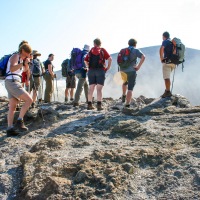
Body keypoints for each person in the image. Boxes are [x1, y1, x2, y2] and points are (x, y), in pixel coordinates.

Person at [5, 43, 33, 136]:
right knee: (29, 100)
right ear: (23, 51)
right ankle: (19, 121)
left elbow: (24, 70)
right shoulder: (15, 56)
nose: (28, 54)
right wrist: (22, 63)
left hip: (13, 81)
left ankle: (10, 129)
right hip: (12, 81)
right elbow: (12, 69)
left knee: (12, 106)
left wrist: (26, 64)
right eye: (28, 52)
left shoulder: (21, 59)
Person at [84, 38, 112, 111]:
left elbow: (85, 60)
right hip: (100, 71)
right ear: (100, 43)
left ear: (94, 43)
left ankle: (89, 105)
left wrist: (88, 66)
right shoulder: (102, 50)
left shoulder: (91, 51)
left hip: (91, 71)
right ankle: (99, 106)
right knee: (99, 89)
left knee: (91, 89)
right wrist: (107, 67)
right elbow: (110, 59)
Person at [120, 39, 145, 107]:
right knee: (130, 88)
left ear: (128, 43)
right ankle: (127, 104)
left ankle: (123, 95)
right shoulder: (135, 50)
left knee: (124, 83)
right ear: (135, 44)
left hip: (122, 70)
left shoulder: (123, 50)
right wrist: (138, 66)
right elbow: (143, 57)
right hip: (131, 71)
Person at [159, 31, 176, 98]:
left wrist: (161, 58)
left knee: (166, 78)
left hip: (167, 62)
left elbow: (161, 49)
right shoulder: (173, 43)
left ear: (164, 36)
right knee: (168, 77)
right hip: (174, 63)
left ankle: (168, 92)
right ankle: (167, 91)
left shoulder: (166, 41)